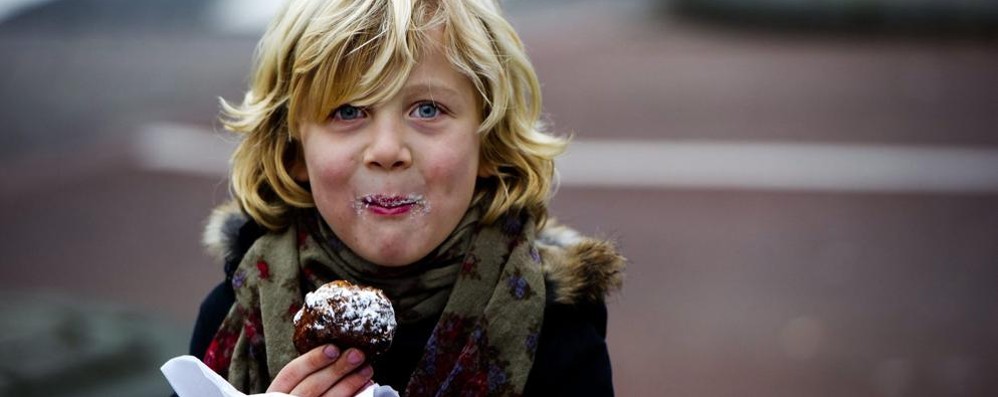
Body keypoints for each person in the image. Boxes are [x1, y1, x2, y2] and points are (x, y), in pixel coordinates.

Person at [186, 0, 625, 395]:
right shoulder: (235, 310)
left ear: (487, 142)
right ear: (294, 149)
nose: (387, 151)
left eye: (428, 109)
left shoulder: (556, 328)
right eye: (348, 111)